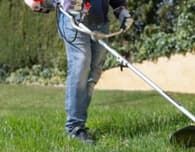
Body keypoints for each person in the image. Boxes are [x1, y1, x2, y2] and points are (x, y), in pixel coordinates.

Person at [24, 0, 133, 144]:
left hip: (100, 21)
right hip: (73, 19)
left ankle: (78, 122)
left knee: (93, 73)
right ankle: (75, 128)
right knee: (80, 65)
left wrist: (122, 12)